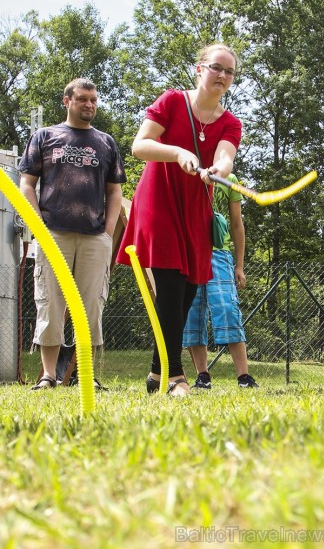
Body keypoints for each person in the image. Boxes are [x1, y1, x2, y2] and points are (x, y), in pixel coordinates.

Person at [116, 43, 241, 396]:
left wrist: (218, 170)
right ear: (199, 69)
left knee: (184, 296)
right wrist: (178, 153)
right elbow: (140, 146)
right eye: (216, 67)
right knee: (170, 288)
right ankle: (175, 378)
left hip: (195, 210)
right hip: (158, 201)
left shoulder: (230, 122)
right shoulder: (172, 101)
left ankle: (156, 372)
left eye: (229, 72)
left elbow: (225, 156)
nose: (222, 76)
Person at [19, 78, 127, 390]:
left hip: (94, 238)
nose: (89, 105)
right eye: (82, 99)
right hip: (54, 234)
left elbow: (114, 191)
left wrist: (107, 233)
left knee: (91, 307)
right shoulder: (45, 136)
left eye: (93, 100)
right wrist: (38, 226)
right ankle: (48, 376)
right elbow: (27, 184)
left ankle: (86, 376)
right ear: (67, 101)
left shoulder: (105, 142)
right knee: (50, 304)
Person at [183, 173, 259, 389]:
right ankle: (202, 376)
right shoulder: (187, 172)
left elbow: (237, 224)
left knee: (227, 310)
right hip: (191, 255)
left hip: (219, 255)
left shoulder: (229, 179)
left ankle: (244, 377)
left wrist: (239, 265)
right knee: (192, 315)